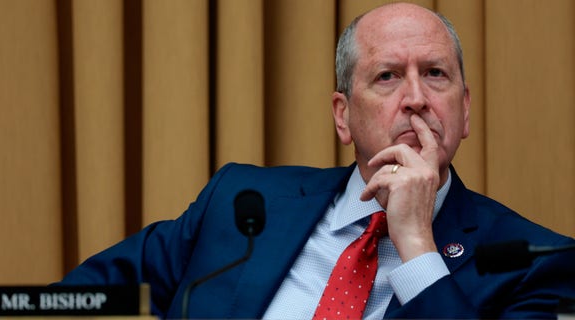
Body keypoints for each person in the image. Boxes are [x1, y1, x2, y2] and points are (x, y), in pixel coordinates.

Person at [57, 2, 575, 319]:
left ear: (464, 111)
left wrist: (417, 248)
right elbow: (79, 303)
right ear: (343, 116)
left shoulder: (539, 262)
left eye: (436, 74)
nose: (416, 98)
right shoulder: (241, 204)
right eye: (388, 76)